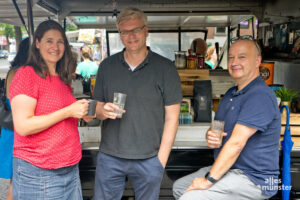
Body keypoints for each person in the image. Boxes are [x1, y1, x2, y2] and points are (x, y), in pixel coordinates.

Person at [173, 39, 281, 200]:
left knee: (191, 197)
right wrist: (211, 135)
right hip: (230, 170)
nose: (234, 62)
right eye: (231, 58)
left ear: (257, 61)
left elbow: (236, 143)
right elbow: (217, 128)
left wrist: (208, 180)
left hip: (254, 179)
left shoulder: (260, 95)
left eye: (242, 57)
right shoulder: (231, 94)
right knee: (180, 187)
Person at [93, 7, 182, 200]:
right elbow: (96, 109)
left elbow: (172, 118)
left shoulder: (166, 68)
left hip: (150, 158)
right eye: (125, 31)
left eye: (136, 30)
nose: (131, 36)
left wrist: (160, 161)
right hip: (110, 157)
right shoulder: (107, 67)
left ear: (146, 30)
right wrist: (102, 110)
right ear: (120, 35)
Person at [9, 20, 92, 200]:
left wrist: (88, 111)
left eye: (60, 41)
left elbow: (63, 115)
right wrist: (68, 111)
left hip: (69, 169)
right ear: (37, 43)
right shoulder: (26, 74)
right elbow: (23, 126)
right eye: (49, 41)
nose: (55, 46)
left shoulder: (61, 78)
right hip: (39, 172)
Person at [0, 37, 29, 200]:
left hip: (12, 129)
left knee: (15, 182)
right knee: (16, 184)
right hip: (16, 131)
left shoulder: (16, 69)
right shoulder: (20, 72)